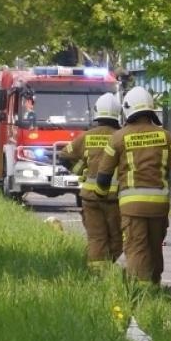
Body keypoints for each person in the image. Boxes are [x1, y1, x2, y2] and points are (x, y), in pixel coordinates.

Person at [96, 87, 171, 285]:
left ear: (128, 110)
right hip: (159, 206)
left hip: (131, 207)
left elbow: (103, 176)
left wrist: (102, 196)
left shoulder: (118, 138)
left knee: (137, 248)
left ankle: (141, 295)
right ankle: (154, 288)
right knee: (155, 248)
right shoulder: (166, 136)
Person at [57, 92, 123, 266]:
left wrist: (82, 171)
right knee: (117, 240)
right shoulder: (122, 136)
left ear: (97, 113)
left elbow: (63, 156)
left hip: (90, 198)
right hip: (116, 199)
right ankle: (108, 269)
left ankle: (96, 277)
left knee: (96, 239)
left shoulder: (87, 136)